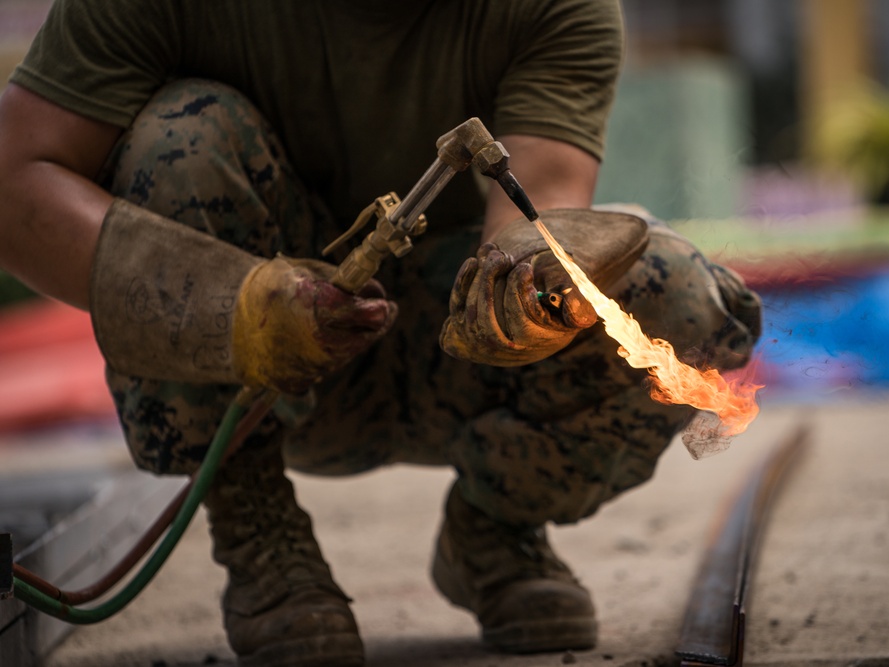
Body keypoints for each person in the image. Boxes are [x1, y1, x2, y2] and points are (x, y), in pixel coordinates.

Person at [0, 1, 762, 665]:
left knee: (682, 300)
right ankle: (256, 522)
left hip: (449, 347)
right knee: (182, 134)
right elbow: (14, 184)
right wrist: (237, 305)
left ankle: (496, 527)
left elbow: (542, 202)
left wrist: (528, 291)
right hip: (250, 374)